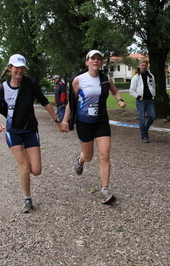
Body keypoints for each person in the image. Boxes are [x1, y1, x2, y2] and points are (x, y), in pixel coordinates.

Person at [0, 54, 62, 213]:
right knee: (24, 166)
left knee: (36, 170)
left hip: (30, 129)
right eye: (17, 67)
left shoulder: (31, 83)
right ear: (10, 68)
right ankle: (27, 199)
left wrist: (57, 120)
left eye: (22, 67)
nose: (20, 70)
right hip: (13, 131)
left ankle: (24, 158)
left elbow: (44, 101)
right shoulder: (4, 87)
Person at [60, 49, 126, 204]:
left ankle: (105, 189)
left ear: (101, 62)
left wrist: (120, 100)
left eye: (99, 59)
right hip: (84, 123)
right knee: (88, 156)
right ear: (87, 62)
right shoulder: (79, 80)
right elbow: (72, 102)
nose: (96, 61)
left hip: (101, 121)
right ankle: (80, 160)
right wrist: (65, 120)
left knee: (104, 154)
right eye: (93, 59)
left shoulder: (105, 79)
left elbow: (115, 92)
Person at [129, 60, 156, 143]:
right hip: (141, 101)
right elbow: (131, 90)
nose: (144, 67)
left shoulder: (151, 76)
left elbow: (153, 86)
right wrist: (138, 96)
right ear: (140, 66)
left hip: (149, 99)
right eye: (142, 65)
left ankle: (144, 130)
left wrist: (153, 95)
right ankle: (144, 136)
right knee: (142, 119)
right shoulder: (136, 77)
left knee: (153, 116)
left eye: (145, 65)